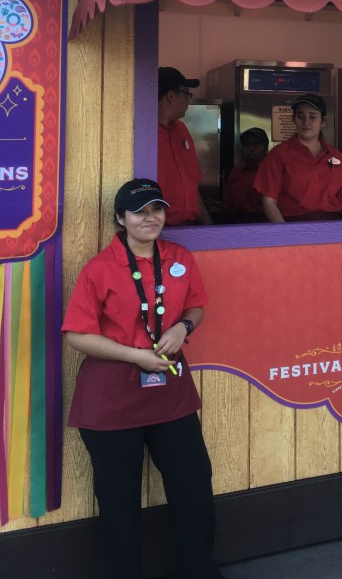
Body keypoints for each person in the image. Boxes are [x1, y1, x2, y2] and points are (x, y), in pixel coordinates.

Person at [61, 179, 223, 579]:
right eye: (139, 212)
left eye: (157, 209)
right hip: (112, 397)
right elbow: (76, 334)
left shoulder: (179, 258)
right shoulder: (100, 269)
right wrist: (137, 356)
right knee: (119, 501)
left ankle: (198, 571)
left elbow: (197, 306)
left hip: (169, 391)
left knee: (193, 485)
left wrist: (184, 327)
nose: (151, 218)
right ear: (121, 218)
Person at [255, 93, 342, 222]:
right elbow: (269, 201)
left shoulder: (336, 156)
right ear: (294, 119)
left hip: (332, 226)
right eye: (300, 116)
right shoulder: (278, 154)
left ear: (323, 121)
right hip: (293, 225)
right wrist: (285, 232)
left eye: (312, 117)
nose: (306, 122)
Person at [157, 65, 212, 225]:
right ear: (171, 96)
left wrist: (208, 225)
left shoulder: (181, 130)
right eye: (186, 94)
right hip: (159, 229)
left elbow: (191, 185)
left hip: (190, 226)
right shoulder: (142, 134)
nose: (189, 100)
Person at [222, 127, 270, 222]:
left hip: (265, 222)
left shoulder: (272, 172)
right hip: (237, 222)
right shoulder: (235, 173)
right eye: (246, 144)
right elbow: (227, 204)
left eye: (256, 144)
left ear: (266, 149)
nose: (251, 148)